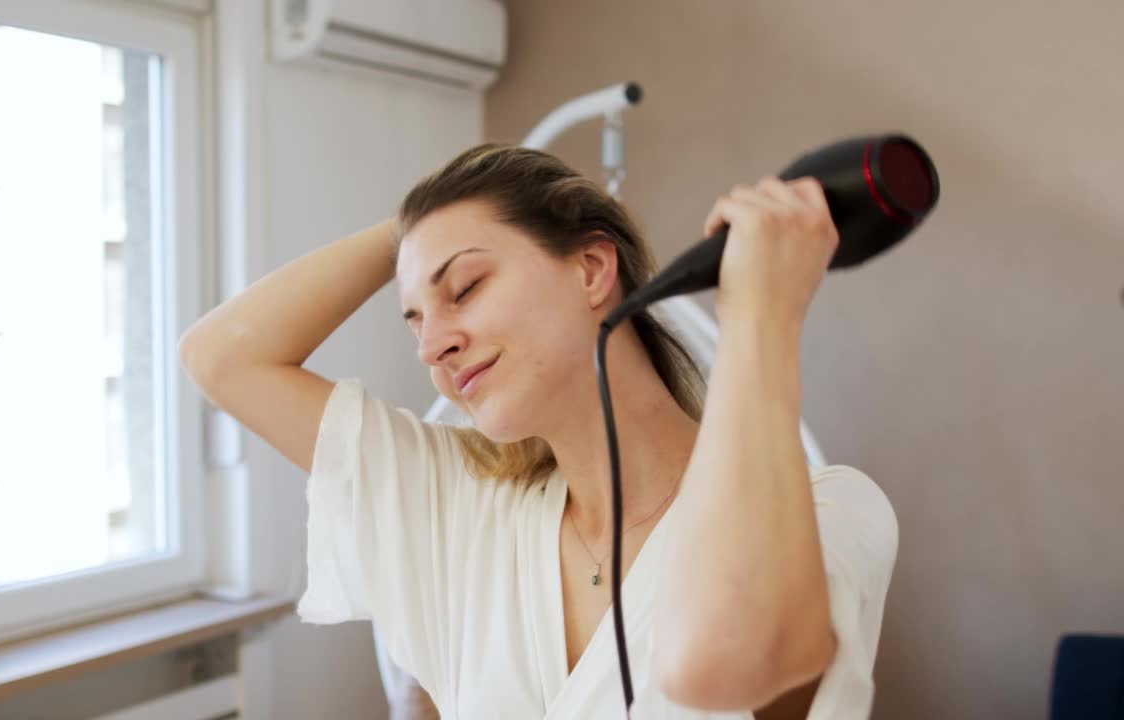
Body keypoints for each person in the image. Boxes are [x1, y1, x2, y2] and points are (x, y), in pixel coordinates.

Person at [179, 144, 899, 719]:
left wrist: (761, 315)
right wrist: (417, 226)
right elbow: (221, 357)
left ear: (592, 270)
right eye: (415, 322)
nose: (432, 347)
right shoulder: (459, 507)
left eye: (463, 288)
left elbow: (719, 662)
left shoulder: (834, 515)